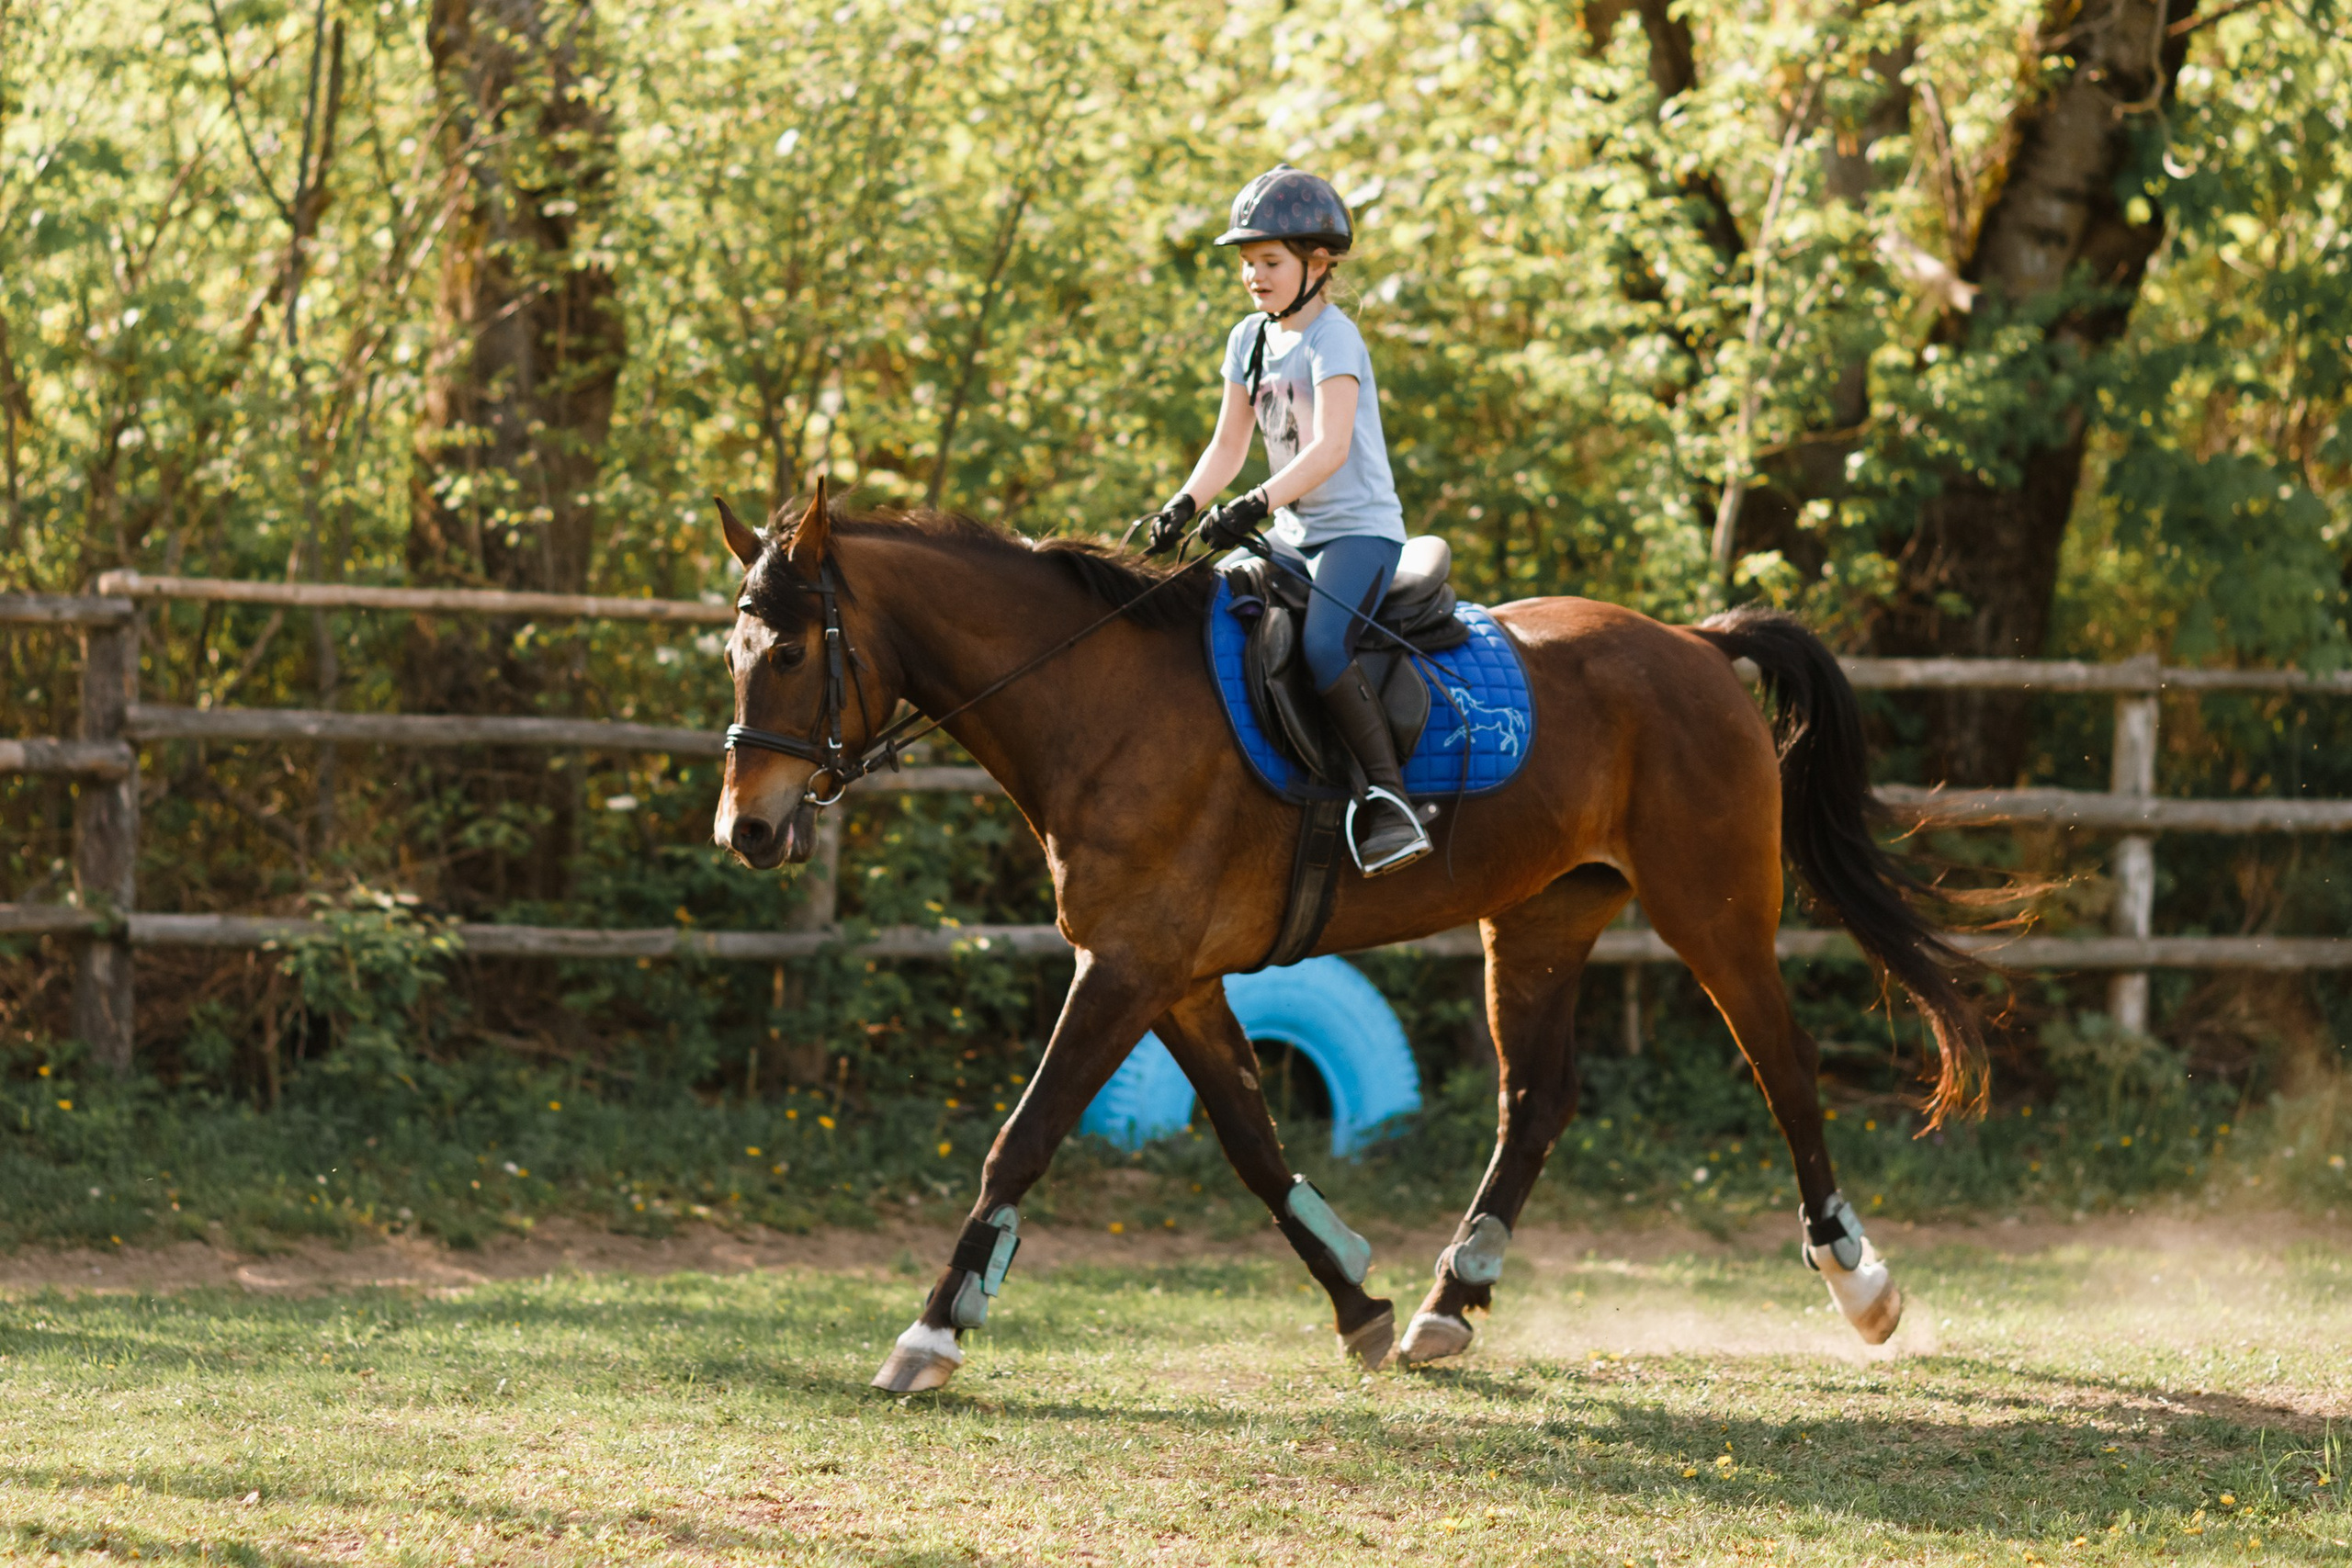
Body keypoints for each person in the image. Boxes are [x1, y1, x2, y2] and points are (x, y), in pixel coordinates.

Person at [1133, 164, 1431, 875]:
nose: (1253, 276)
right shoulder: (1250, 339)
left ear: (1317, 263)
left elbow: (1330, 448)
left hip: (1357, 533)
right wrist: (1183, 504)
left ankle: (1389, 800)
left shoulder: (1335, 339)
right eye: (1247, 262)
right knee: (1210, 607)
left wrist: (1253, 503)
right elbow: (1228, 445)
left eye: (1269, 261)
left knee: (1325, 645)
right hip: (1292, 537)